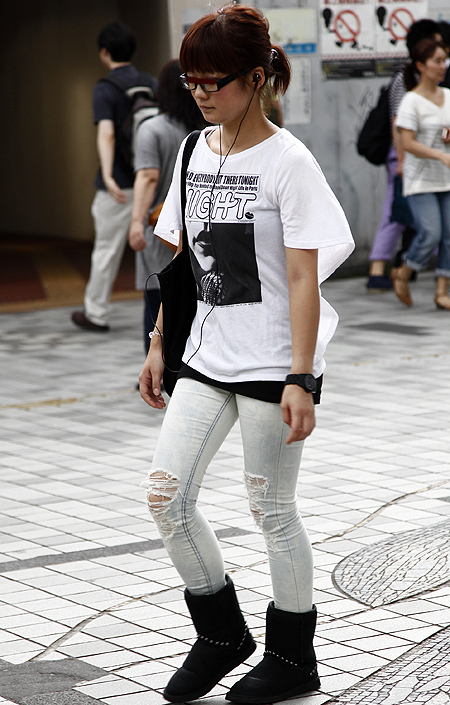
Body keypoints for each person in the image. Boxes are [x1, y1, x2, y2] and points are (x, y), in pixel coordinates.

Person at [139, 5, 354, 704]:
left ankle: (293, 657)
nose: (201, 93)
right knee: (166, 496)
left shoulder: (289, 162)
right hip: (204, 356)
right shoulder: (192, 151)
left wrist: (301, 376)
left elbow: (303, 277)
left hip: (271, 363)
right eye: (192, 80)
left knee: (271, 509)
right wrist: (158, 342)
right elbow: (180, 260)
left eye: (216, 81)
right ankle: (222, 635)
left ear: (256, 79)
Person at [71, 22, 157, 332]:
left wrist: (107, 175)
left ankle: (96, 313)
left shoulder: (105, 89)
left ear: (104, 52)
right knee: (158, 247)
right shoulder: (151, 83)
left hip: (119, 185)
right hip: (151, 182)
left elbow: (106, 134)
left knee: (107, 250)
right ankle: (166, 306)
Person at [128, 59, 205, 355]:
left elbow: (148, 177)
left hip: (160, 231)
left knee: (157, 303)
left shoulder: (153, 129)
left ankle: (158, 363)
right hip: (197, 231)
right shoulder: (208, 130)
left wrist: (136, 222)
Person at [367, 19, 441, 292]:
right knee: (396, 212)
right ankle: (378, 270)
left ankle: (407, 267)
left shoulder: (433, 83)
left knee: (418, 216)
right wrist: (401, 160)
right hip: (405, 156)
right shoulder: (404, 79)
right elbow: (398, 123)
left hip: (423, 157)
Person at [392, 38, 450, 309]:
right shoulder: (411, 101)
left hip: (446, 179)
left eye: (444, 60)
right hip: (421, 180)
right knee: (431, 233)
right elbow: (407, 142)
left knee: (449, 236)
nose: (443, 66)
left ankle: (441, 291)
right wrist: (440, 155)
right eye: (437, 61)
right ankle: (403, 273)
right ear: (421, 66)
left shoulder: (448, 96)